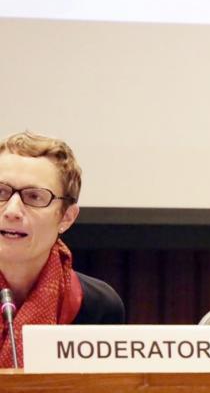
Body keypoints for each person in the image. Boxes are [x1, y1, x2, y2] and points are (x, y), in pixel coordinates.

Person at [0, 131, 125, 368]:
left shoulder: (97, 306)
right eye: (1, 193)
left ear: (66, 217)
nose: (12, 210)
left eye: (34, 196)